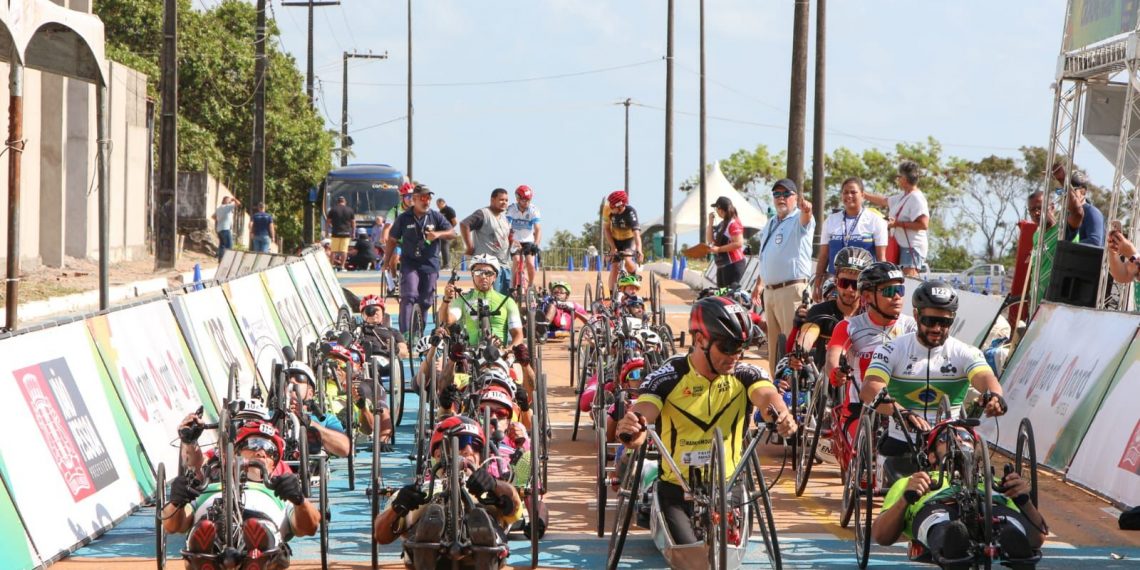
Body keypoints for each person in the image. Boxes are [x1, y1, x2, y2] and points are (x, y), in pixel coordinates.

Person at [616, 296, 797, 547]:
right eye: (727, 346)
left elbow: (767, 396)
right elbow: (644, 412)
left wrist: (782, 416)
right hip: (677, 489)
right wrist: (633, 429)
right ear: (699, 339)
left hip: (728, 485)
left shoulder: (745, 374)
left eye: (740, 347)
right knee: (691, 559)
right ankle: (645, 480)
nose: (734, 355)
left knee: (726, 553)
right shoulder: (668, 376)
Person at [861, 281, 1005, 479]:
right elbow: (870, 387)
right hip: (903, 438)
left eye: (944, 323)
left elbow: (985, 377)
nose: (937, 328)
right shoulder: (891, 349)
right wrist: (902, 412)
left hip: (950, 441)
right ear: (916, 315)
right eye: (930, 320)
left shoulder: (964, 352)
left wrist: (994, 396)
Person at [872, 424, 1045, 569]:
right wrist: (905, 500)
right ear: (931, 456)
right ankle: (952, 544)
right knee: (944, 524)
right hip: (937, 505)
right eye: (946, 438)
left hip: (991, 506)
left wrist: (1025, 501)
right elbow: (881, 535)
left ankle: (1013, 541)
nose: (959, 440)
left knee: (1009, 524)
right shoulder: (912, 481)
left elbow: (1037, 539)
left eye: (966, 436)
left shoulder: (998, 483)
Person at [163, 418, 319, 569]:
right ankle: (206, 555)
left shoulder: (280, 494)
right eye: (254, 444)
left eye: (270, 450)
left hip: (265, 523)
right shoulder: (207, 488)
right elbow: (171, 525)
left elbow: (310, 527)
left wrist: (300, 500)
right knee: (204, 528)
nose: (261, 452)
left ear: (274, 465)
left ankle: (257, 554)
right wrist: (176, 502)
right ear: (233, 454)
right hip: (211, 520)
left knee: (262, 529)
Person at [372, 415, 522, 569]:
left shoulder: (492, 490)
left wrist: (494, 485)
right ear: (438, 454)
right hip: (432, 524)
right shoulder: (423, 488)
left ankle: (482, 536)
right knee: (427, 512)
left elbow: (516, 509)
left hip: (480, 532)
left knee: (485, 516)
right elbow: (381, 535)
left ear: (481, 455)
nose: (469, 450)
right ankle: (426, 539)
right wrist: (398, 506)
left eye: (475, 446)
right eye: (461, 443)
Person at [822, 261, 917, 477]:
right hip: (860, 407)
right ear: (866, 297)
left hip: (902, 407)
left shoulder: (913, 327)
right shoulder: (850, 326)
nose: (897, 297)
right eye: (889, 291)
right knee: (864, 449)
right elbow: (833, 354)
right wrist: (835, 372)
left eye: (900, 290)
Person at [437, 255, 535, 393]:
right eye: (478, 272)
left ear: (495, 276)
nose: (483, 276)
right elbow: (446, 321)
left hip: (501, 354)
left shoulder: (508, 302)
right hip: (470, 355)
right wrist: (446, 300)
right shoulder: (463, 300)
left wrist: (508, 350)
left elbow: (518, 335)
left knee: (523, 384)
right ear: (472, 275)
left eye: (488, 273)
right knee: (445, 384)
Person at [750, 178, 814, 375]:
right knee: (775, 350)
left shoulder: (798, 219)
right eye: (777, 194)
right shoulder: (770, 223)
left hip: (792, 290)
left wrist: (807, 210)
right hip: (770, 292)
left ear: (795, 197)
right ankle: (777, 390)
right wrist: (760, 284)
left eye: (786, 194)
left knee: (794, 346)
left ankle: (799, 394)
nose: (781, 198)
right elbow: (766, 256)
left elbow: (807, 216)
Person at [383, 184, 456, 333]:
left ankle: (419, 333)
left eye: (429, 198)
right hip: (410, 262)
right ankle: (404, 335)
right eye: (423, 198)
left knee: (425, 301)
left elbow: (452, 233)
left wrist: (438, 234)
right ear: (414, 199)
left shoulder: (436, 216)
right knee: (409, 296)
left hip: (430, 263)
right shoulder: (404, 218)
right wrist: (386, 262)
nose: (426, 201)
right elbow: (392, 239)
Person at [792, 247, 873, 368]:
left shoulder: (871, 314)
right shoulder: (820, 311)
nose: (849, 289)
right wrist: (800, 351)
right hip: (822, 379)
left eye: (855, 284)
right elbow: (808, 335)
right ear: (835, 281)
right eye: (844, 283)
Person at [812, 177, 888, 300]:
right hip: (835, 286)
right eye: (845, 192)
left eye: (853, 192)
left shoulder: (875, 221)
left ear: (863, 195)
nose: (849, 195)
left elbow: (881, 259)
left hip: (863, 285)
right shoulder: (831, 220)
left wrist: (882, 287)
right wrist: (817, 284)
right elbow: (824, 256)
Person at [866, 160, 929, 277]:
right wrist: (862, 194)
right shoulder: (904, 196)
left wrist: (897, 224)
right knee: (897, 280)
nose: (898, 179)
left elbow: (923, 224)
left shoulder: (917, 198)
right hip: (902, 246)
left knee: (908, 281)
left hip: (912, 247)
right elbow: (884, 201)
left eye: (898, 176)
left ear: (904, 178)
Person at [283, 362, 353, 458]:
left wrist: (309, 422)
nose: (292, 381)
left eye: (299, 378)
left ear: (310, 393)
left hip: (311, 469)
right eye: (287, 379)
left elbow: (345, 448)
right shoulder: (272, 416)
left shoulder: (326, 420)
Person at [462, 189, 513, 295]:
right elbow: (464, 224)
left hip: (504, 265)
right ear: (492, 200)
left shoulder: (504, 218)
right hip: (488, 266)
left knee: (505, 299)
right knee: (491, 298)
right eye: (501, 200)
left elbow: (508, 236)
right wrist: (469, 246)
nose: (504, 202)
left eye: (506, 200)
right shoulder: (483, 214)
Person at [603, 190, 643, 297]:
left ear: (620, 206)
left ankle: (633, 276)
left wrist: (639, 249)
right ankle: (612, 295)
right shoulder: (607, 210)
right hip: (615, 239)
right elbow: (606, 229)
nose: (610, 208)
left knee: (627, 258)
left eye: (613, 206)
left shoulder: (630, 212)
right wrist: (612, 247)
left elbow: (636, 234)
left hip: (629, 240)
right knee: (615, 266)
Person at [506, 185, 543, 289]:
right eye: (524, 200)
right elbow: (506, 227)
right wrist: (511, 240)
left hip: (528, 241)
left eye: (528, 200)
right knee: (516, 261)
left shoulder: (533, 210)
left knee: (530, 263)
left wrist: (536, 244)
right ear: (518, 199)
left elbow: (538, 229)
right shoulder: (511, 209)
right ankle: (512, 287)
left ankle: (531, 286)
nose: (526, 202)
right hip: (515, 240)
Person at [707, 196, 747, 288]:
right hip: (722, 265)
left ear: (720, 210)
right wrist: (710, 223)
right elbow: (710, 240)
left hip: (733, 264)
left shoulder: (733, 223)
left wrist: (719, 249)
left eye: (716, 208)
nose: (716, 211)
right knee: (721, 293)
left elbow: (739, 243)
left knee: (730, 294)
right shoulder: (722, 224)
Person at [1063, 170, 1104, 246]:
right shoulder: (1066, 215)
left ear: (1083, 192)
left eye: (1070, 191)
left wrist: (1067, 247)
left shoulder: (1092, 212)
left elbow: (1095, 241)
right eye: (1063, 191)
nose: (1066, 195)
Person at [326, 195, 356, 269]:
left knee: (333, 251)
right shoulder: (350, 210)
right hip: (346, 233)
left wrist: (328, 230)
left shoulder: (333, 210)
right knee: (344, 251)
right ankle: (342, 266)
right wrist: (353, 233)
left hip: (335, 233)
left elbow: (328, 222)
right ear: (345, 202)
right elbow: (353, 223)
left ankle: (331, 266)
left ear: (338, 202)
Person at [211, 195, 241, 261]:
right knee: (229, 246)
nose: (230, 201)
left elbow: (213, 217)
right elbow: (238, 203)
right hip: (226, 229)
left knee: (222, 245)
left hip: (219, 229)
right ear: (225, 201)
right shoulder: (227, 207)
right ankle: (228, 261)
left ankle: (220, 260)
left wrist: (220, 219)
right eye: (229, 200)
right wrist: (233, 199)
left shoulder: (219, 208)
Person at [437, 197, 458, 267]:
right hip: (441, 232)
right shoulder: (440, 211)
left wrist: (450, 229)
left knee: (445, 247)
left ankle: (447, 265)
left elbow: (455, 221)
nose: (437, 206)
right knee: (439, 248)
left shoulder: (449, 210)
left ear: (442, 203)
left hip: (447, 232)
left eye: (438, 205)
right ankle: (439, 264)